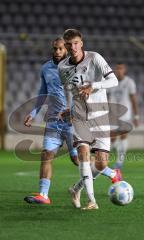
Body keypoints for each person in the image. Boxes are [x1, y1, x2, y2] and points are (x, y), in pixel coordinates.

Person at [58, 29, 122, 210]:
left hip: (100, 114)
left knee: (101, 163)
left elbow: (114, 81)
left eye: (76, 43)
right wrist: (69, 109)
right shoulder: (62, 68)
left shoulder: (95, 58)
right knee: (83, 154)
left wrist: (93, 86)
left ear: (82, 43)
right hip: (79, 115)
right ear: (65, 45)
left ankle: (75, 188)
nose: (73, 48)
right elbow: (70, 91)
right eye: (69, 44)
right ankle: (92, 200)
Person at [23, 37, 78, 204]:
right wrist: (33, 113)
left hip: (72, 122)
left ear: (66, 50)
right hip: (53, 121)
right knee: (46, 154)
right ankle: (44, 195)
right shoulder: (46, 68)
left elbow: (80, 93)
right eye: (55, 49)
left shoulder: (75, 67)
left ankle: (111, 173)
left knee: (77, 160)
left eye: (61, 49)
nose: (57, 52)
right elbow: (42, 94)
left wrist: (77, 113)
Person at [103, 63, 140, 170]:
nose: (119, 70)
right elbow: (107, 97)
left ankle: (119, 162)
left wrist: (136, 116)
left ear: (125, 70)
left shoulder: (130, 82)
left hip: (126, 114)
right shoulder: (111, 82)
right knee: (112, 139)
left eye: (121, 68)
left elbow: (133, 99)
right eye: (117, 68)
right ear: (115, 70)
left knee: (123, 136)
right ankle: (114, 153)